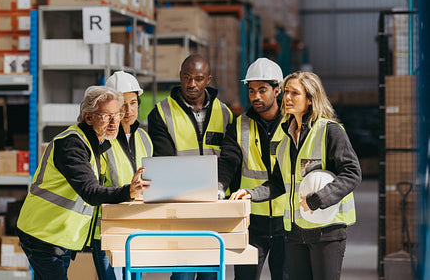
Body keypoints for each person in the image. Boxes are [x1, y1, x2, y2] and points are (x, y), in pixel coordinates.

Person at [230, 71, 362, 280]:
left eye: (295, 93)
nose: (287, 98)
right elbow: (277, 183)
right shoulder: (286, 139)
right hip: (294, 233)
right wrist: (250, 193)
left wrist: (319, 199)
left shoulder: (329, 131)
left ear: (310, 99)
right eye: (287, 92)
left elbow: (352, 173)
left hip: (326, 232)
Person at [16, 86, 150, 280]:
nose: (114, 122)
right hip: (43, 234)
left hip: (60, 235)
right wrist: (128, 191)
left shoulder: (96, 144)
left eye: (117, 115)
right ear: (88, 118)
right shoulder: (71, 145)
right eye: (105, 116)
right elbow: (91, 192)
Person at [147, 53, 233, 280]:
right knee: (183, 272)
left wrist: (220, 189)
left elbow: (229, 158)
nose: (191, 84)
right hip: (180, 205)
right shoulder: (161, 113)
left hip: (215, 205)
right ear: (180, 77)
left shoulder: (224, 113)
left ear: (208, 80)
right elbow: (163, 162)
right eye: (186, 77)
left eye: (198, 78)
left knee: (211, 272)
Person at [217, 57, 286, 280]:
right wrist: (219, 187)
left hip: (287, 220)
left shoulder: (294, 124)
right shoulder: (239, 125)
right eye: (252, 90)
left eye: (262, 90)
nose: (255, 96)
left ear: (277, 90)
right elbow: (228, 161)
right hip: (251, 221)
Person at [91, 71, 153, 279]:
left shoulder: (144, 138)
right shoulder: (101, 139)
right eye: (122, 104)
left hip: (137, 225)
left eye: (133, 102)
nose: (128, 110)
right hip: (107, 227)